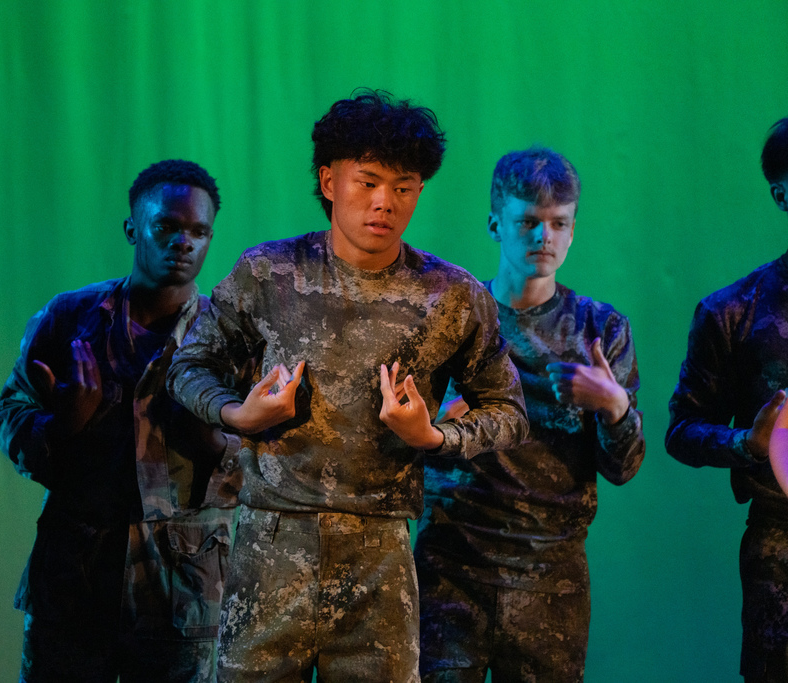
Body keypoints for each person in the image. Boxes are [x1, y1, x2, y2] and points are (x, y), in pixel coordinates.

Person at [167, 90, 529, 683]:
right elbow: (188, 367)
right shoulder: (267, 274)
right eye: (367, 182)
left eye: (404, 187)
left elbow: (508, 412)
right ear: (329, 180)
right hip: (271, 542)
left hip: (379, 553)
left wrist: (433, 437)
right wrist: (238, 414)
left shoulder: (453, 296)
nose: (385, 202)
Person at [0, 160, 240, 682]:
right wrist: (63, 424)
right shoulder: (70, 318)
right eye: (167, 227)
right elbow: (10, 415)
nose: (183, 243)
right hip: (77, 575)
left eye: (199, 232)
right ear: (133, 229)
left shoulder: (228, 338)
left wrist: (212, 441)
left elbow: (269, 460)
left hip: (182, 588)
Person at [415, 147, 645, 682]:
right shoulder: (452, 316)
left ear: (572, 230)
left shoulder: (599, 330)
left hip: (551, 573)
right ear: (496, 224)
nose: (544, 237)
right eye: (528, 221)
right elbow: (401, 436)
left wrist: (613, 407)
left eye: (558, 223)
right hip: (454, 563)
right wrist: (441, 418)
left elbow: (623, 468)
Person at [667, 117, 788, 682]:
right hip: (779, 550)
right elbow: (682, 430)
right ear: (780, 192)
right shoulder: (734, 310)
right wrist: (748, 441)